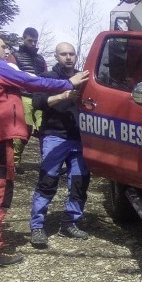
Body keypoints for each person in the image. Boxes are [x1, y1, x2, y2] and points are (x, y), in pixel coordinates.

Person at [0, 32, 89, 269]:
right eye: (3, 47)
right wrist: (68, 83)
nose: (7, 52)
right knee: (0, 195)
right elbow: (33, 82)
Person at [30, 42, 90, 246]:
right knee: (47, 181)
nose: (68, 57)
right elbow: (37, 103)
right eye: (63, 54)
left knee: (80, 182)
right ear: (56, 56)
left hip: (79, 138)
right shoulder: (48, 77)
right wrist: (61, 95)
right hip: (54, 136)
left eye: (71, 54)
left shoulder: (84, 78)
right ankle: (37, 227)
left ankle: (69, 223)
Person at [12, 27, 48, 172]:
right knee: (23, 130)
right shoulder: (14, 56)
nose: (33, 44)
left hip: (40, 97)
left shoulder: (40, 59)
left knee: (45, 130)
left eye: (35, 41)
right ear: (23, 39)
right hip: (23, 96)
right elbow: (11, 77)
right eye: (30, 41)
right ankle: (14, 163)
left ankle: (48, 163)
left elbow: (46, 77)